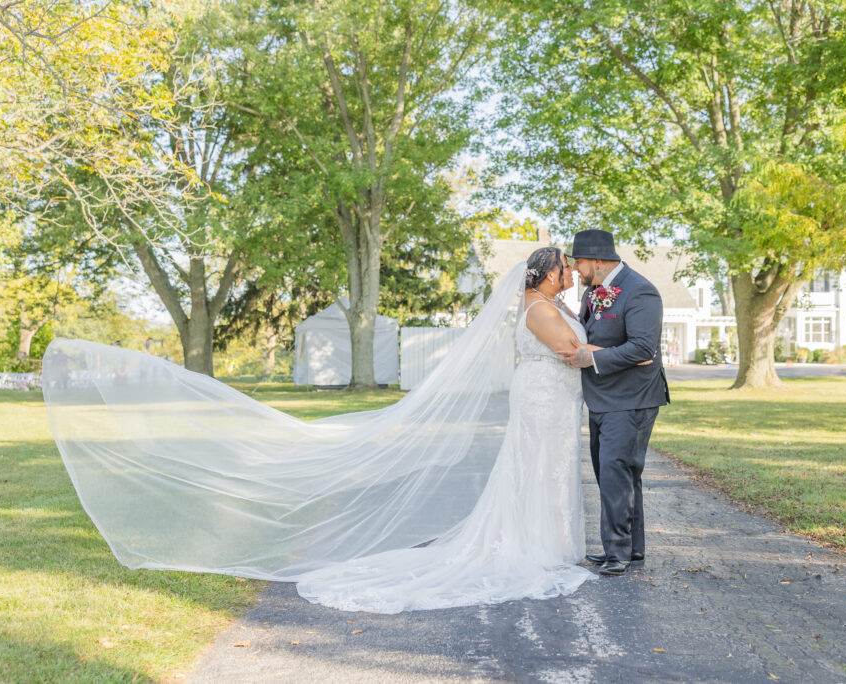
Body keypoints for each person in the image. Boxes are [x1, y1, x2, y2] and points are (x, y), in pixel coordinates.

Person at [42, 248, 596, 614]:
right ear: (548, 272)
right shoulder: (539, 309)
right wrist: (623, 355)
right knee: (536, 472)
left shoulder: (548, 302)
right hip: (543, 402)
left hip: (549, 401)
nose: (571, 272)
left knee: (543, 472)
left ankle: (548, 542)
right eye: (565, 268)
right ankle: (538, 546)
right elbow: (571, 353)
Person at [560, 229, 670, 577]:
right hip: (603, 398)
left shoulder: (641, 291)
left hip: (632, 398)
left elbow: (642, 348)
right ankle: (631, 548)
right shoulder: (595, 291)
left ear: (597, 260)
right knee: (618, 473)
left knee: (614, 472)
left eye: (578, 262)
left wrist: (591, 358)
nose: (575, 269)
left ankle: (617, 552)